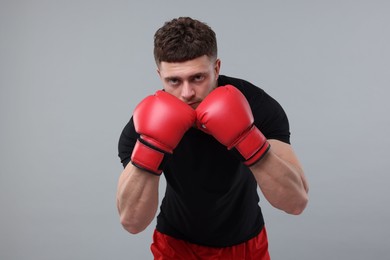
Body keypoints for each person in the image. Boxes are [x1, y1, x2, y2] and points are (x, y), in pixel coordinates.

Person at [116, 17, 309, 259]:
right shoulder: (142, 125)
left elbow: (296, 202)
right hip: (175, 244)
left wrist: (246, 138)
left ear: (216, 68)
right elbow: (132, 222)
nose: (187, 93)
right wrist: (152, 145)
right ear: (159, 75)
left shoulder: (256, 106)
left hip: (246, 242)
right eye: (174, 81)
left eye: (198, 77)